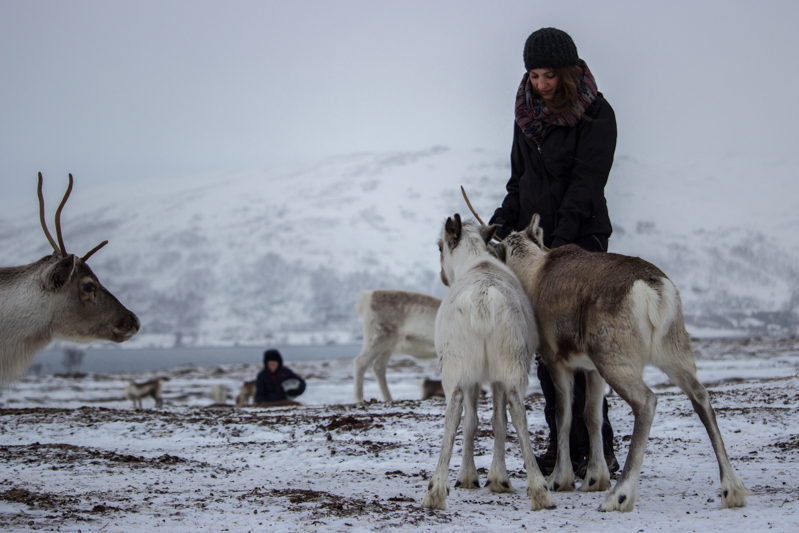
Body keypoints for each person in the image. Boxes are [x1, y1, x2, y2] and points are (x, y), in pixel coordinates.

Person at [488, 27, 618, 476]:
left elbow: (587, 184)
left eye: (548, 75)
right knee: (547, 351)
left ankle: (599, 446)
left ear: (568, 72)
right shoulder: (526, 117)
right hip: (534, 246)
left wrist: (560, 242)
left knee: (584, 349)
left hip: (580, 241)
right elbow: (518, 180)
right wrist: (502, 221)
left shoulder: (597, 114)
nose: (541, 84)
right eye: (534, 74)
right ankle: (563, 444)